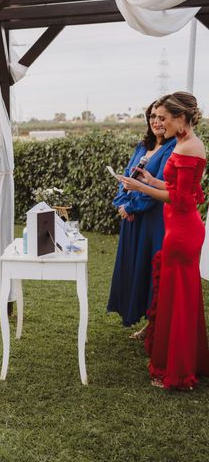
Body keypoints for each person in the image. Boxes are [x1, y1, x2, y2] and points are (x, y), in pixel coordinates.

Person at [121, 91, 209, 390]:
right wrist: (150, 179)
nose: (161, 125)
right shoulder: (185, 144)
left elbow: (181, 200)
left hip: (182, 230)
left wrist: (139, 188)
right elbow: (179, 188)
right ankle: (189, 361)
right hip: (181, 227)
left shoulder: (188, 148)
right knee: (179, 299)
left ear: (180, 118)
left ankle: (179, 372)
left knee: (179, 302)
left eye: (165, 119)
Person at [107, 102, 176, 334]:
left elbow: (156, 189)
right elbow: (126, 177)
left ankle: (154, 324)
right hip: (132, 219)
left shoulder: (172, 148)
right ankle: (140, 317)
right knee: (133, 268)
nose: (156, 121)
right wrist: (121, 203)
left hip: (152, 220)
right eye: (152, 116)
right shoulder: (142, 145)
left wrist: (132, 207)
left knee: (151, 270)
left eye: (160, 117)